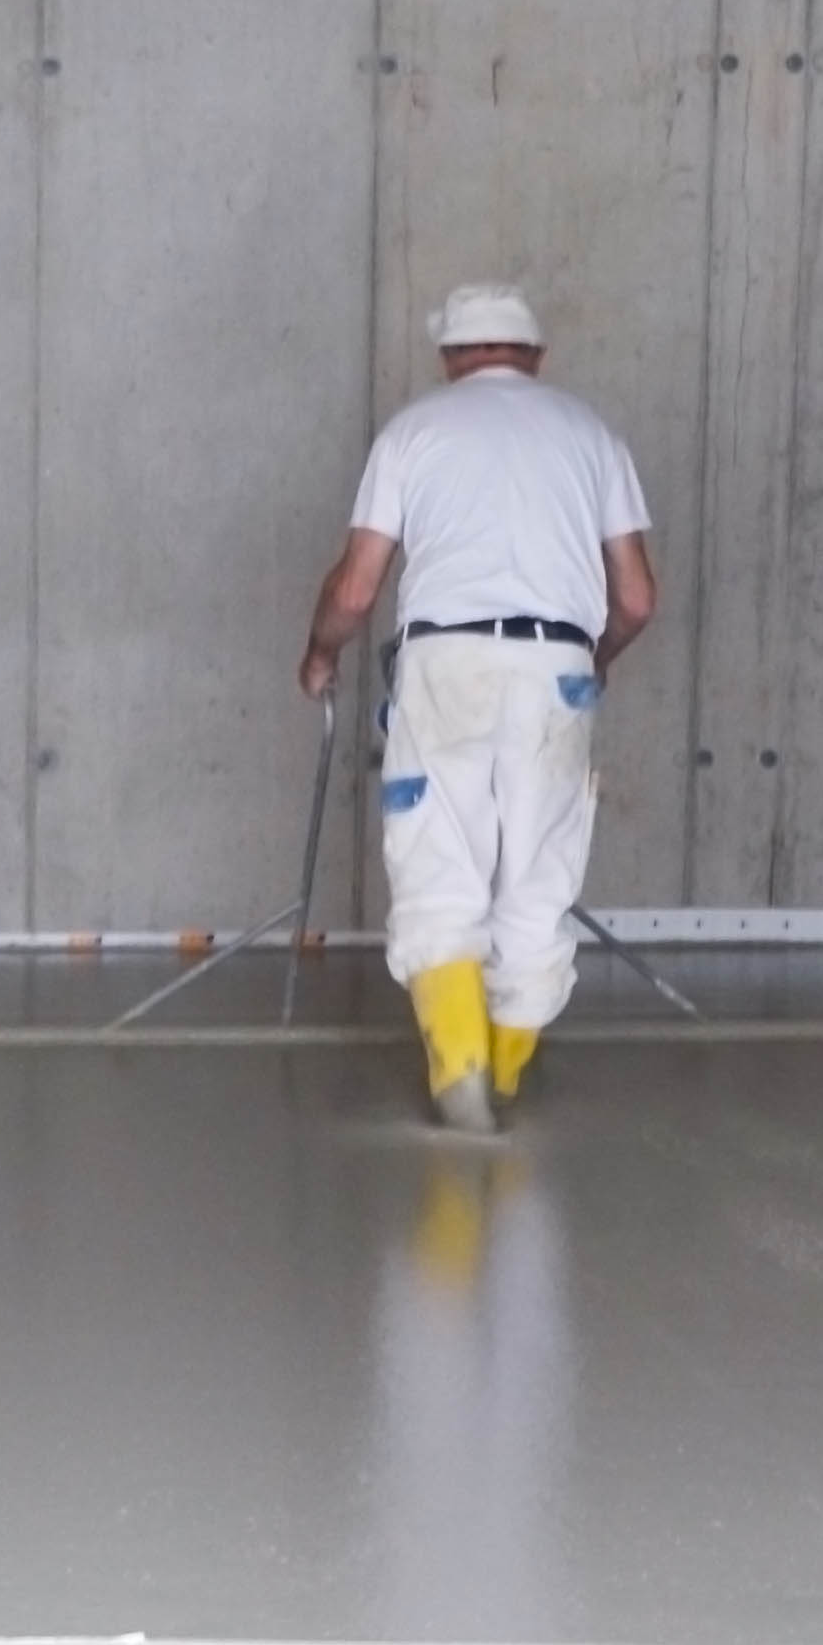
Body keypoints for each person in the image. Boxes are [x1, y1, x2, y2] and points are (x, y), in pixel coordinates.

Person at [296, 284, 658, 1135]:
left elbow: (356, 586)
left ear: (452, 356)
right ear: (533, 354)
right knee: (540, 872)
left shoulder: (414, 432)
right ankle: (502, 1067)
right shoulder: (591, 436)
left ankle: (456, 1067)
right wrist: (589, 662)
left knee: (437, 857)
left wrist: (320, 652)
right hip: (558, 665)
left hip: (445, 662)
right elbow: (636, 597)